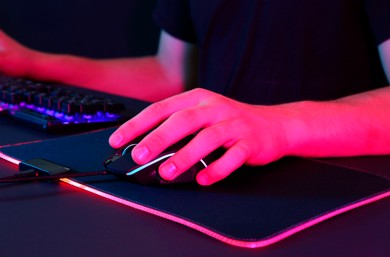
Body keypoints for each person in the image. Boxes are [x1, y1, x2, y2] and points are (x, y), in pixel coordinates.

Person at [0, 0, 389, 186]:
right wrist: (29, 64)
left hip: (333, 190)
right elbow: (171, 75)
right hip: (211, 183)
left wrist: (279, 125)